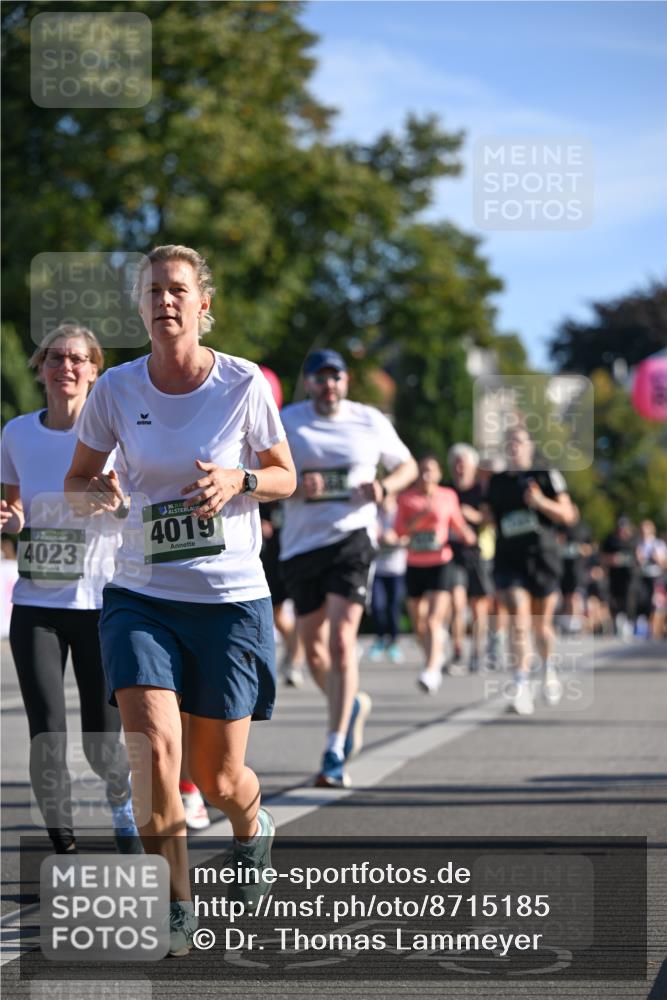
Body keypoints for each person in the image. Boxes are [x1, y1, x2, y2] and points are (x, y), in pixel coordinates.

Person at [64, 245, 296, 956]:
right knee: (157, 754)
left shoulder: (241, 384)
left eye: (178, 290)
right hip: (141, 592)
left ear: (202, 305)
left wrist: (240, 481)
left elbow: (286, 475)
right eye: (152, 291)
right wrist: (95, 491)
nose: (164, 301)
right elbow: (79, 478)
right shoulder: (116, 391)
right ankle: (174, 904)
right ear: (139, 307)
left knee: (218, 777)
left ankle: (252, 825)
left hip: (229, 599)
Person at [1, 324, 139, 856]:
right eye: (55, 358)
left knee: (102, 741)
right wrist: (11, 523)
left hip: (102, 602)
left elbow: (137, 513)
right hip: (37, 604)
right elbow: (17, 510)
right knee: (46, 735)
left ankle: (124, 811)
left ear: (95, 371)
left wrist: (120, 505)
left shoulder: (116, 439)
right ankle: (65, 846)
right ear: (41, 368)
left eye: (78, 359)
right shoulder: (16, 433)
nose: (67, 367)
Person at [279, 349, 417, 787]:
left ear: (346, 381)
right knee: (313, 650)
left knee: (341, 641)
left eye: (335, 378)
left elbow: (407, 465)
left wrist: (384, 486)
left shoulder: (369, 420)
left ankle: (334, 747)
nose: (329, 385)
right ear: (308, 383)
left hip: (353, 539)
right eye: (320, 378)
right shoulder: (287, 419)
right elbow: (259, 472)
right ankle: (351, 703)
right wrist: (297, 487)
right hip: (302, 545)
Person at [485, 426, 577, 715]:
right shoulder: (497, 483)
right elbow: (488, 518)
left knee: (541, 626)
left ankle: (548, 670)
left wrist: (539, 503)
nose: (514, 446)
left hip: (544, 560)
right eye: (509, 442)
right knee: (519, 619)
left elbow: (568, 515)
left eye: (520, 441)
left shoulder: (546, 476)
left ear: (530, 447)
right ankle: (521, 683)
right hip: (510, 561)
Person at [395, 454, 476, 693]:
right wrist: (421, 516)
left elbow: (457, 522)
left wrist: (468, 535)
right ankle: (436, 653)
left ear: (439, 474)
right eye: (422, 470)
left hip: (441, 562)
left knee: (432, 619)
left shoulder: (447, 496)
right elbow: (400, 530)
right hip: (414, 563)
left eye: (431, 470)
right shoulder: (407, 498)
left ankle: (431, 670)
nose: (426, 475)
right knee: (419, 624)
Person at [447, 444, 493, 674]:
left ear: (473, 467)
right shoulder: (446, 491)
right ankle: (457, 653)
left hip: (477, 553)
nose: (459, 467)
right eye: (456, 463)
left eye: (463, 463)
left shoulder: (481, 490)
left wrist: (470, 516)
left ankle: (477, 653)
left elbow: (490, 518)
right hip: (451, 553)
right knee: (456, 605)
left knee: (478, 607)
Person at [368, 493, 407, 663]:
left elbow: (410, 536)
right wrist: (380, 538)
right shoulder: (372, 514)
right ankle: (379, 639)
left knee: (394, 606)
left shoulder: (401, 513)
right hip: (377, 569)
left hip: (397, 569)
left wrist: (396, 539)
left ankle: (393, 642)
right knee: (377, 605)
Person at [601, 516, 639, 637]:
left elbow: (639, 557)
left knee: (629, 598)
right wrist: (611, 559)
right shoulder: (611, 540)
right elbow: (602, 556)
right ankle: (616, 622)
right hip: (614, 575)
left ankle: (628, 623)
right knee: (615, 599)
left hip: (629, 576)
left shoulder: (633, 540)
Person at [634, 519, 667, 638]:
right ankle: (649, 629)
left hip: (656, 577)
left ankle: (655, 631)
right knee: (645, 602)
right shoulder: (638, 544)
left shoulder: (658, 544)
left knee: (657, 604)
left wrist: (657, 558)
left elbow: (664, 563)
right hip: (643, 577)